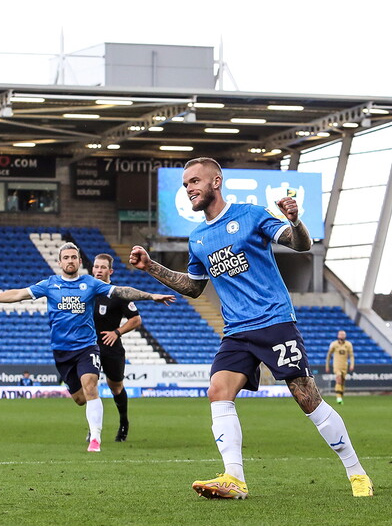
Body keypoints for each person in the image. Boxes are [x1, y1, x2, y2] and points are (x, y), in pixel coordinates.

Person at [128, 157, 372, 499]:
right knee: (218, 391)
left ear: (216, 182)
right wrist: (151, 266)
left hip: (274, 321)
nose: (189, 189)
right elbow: (195, 287)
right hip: (236, 331)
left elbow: (300, 243)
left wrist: (296, 221)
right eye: (185, 185)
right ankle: (234, 478)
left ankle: (356, 473)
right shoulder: (198, 237)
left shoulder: (250, 214)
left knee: (306, 398)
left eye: (194, 181)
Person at [0, 242, 169, 453]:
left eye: (74, 257)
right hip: (62, 350)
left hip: (87, 347)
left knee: (91, 387)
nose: (70, 261)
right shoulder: (49, 284)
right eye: (66, 258)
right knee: (80, 399)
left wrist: (150, 296)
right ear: (59, 262)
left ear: (80, 262)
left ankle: (95, 439)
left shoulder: (90, 283)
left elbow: (122, 291)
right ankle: (94, 427)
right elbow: (18, 294)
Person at [92, 253, 175, 442]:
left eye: (102, 267)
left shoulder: (118, 294)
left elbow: (136, 319)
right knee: (90, 387)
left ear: (110, 271)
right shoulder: (87, 290)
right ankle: (94, 428)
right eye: (96, 267)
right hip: (89, 347)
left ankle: (123, 422)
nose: (98, 270)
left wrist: (117, 332)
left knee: (116, 387)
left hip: (111, 347)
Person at [325, 330, 355, 405]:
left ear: (345, 336)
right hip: (336, 365)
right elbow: (329, 355)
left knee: (342, 382)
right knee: (338, 379)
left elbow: (351, 355)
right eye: (340, 334)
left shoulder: (348, 344)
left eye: (343, 334)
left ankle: (340, 395)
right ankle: (338, 397)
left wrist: (352, 364)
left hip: (344, 366)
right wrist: (327, 365)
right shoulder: (334, 344)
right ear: (338, 335)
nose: (341, 336)